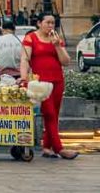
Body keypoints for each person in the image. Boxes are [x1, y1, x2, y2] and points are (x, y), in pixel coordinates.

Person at [20, 14, 77, 159]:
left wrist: (57, 45)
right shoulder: (31, 38)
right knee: (49, 114)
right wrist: (24, 77)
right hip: (41, 84)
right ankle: (59, 148)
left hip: (57, 80)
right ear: (39, 23)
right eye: (47, 23)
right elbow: (25, 59)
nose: (51, 26)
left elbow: (66, 61)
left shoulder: (56, 39)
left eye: (53, 23)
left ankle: (46, 147)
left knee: (54, 115)